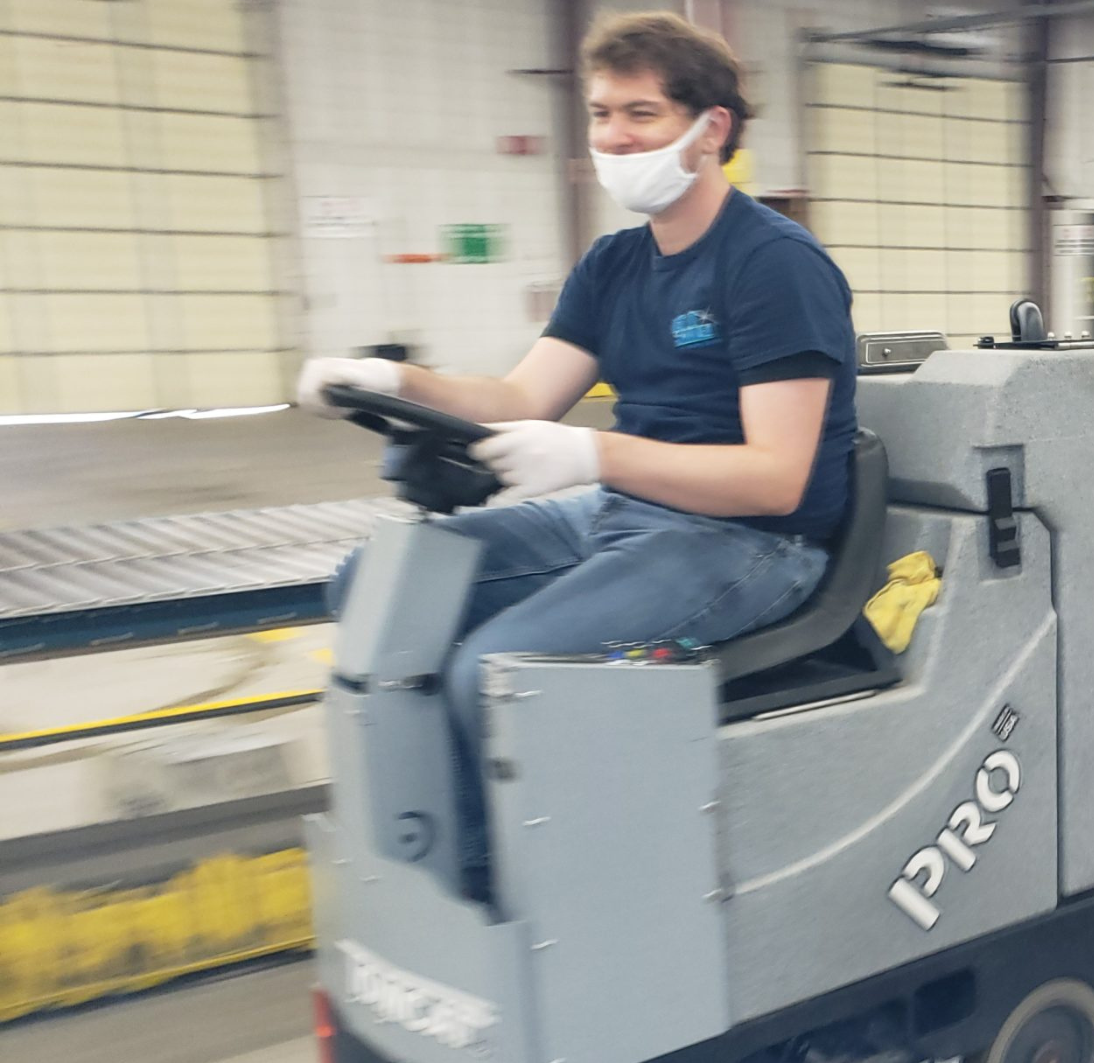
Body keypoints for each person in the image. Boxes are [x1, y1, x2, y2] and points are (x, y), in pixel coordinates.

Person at [300, 13, 856, 868]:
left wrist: (597, 454)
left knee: (492, 672)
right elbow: (522, 396)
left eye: (640, 115)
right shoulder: (613, 265)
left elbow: (776, 481)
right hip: (623, 513)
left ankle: (497, 897)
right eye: (601, 114)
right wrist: (393, 382)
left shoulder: (773, 263)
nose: (613, 138)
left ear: (711, 130)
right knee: (372, 586)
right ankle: (428, 846)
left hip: (748, 544)